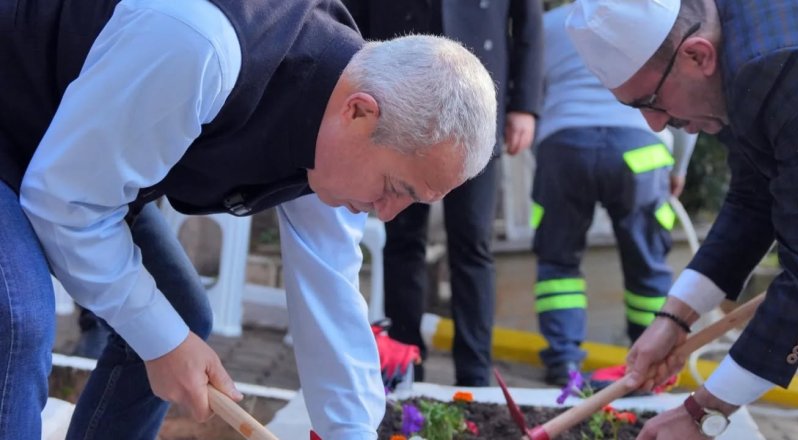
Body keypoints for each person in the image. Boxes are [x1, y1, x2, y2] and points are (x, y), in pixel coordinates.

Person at [0, 0, 498, 437]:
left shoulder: (339, 115)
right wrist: (164, 343)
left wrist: (348, 432)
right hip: (18, 126)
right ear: (360, 113)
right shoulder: (201, 44)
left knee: (178, 314)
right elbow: (65, 205)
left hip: (64, 151)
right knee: (17, 316)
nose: (388, 213)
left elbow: (329, 290)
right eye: (395, 189)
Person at [567, 0, 798, 438]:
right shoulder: (734, 51)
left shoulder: (790, 61)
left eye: (651, 102)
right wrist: (673, 319)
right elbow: (755, 198)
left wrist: (702, 414)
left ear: (698, 55)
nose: (655, 125)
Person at [343, 0, 544, 387]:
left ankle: (474, 375)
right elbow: (353, 12)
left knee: (471, 242)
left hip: (475, 103)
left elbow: (528, 23)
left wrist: (525, 105)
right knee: (401, 239)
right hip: (396, 97)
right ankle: (403, 367)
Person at [531, 2, 696, 387]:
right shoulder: (655, 15)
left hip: (564, 146)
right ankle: (648, 364)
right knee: (646, 262)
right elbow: (684, 93)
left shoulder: (551, 24)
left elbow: (532, 96)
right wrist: (679, 168)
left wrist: (551, 157)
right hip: (638, 146)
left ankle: (563, 363)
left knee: (558, 264)